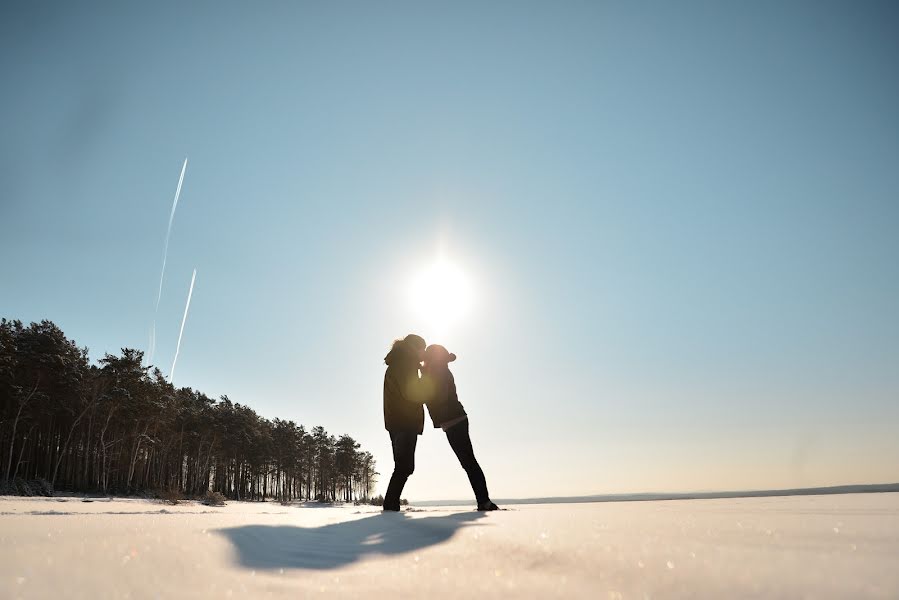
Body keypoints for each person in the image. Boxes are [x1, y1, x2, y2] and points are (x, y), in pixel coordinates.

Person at [421, 344, 499, 511]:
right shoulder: (437, 369)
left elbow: (438, 395)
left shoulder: (438, 370)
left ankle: (484, 501)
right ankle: (484, 500)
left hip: (454, 419)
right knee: (468, 462)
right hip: (453, 420)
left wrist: (422, 391)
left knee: (468, 462)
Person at [382, 334, 427, 511]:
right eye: (423, 349)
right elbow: (412, 393)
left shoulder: (401, 362)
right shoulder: (405, 363)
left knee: (403, 466)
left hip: (397, 421)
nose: (424, 353)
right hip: (404, 421)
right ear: (415, 348)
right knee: (404, 467)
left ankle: (391, 504)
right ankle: (390, 505)